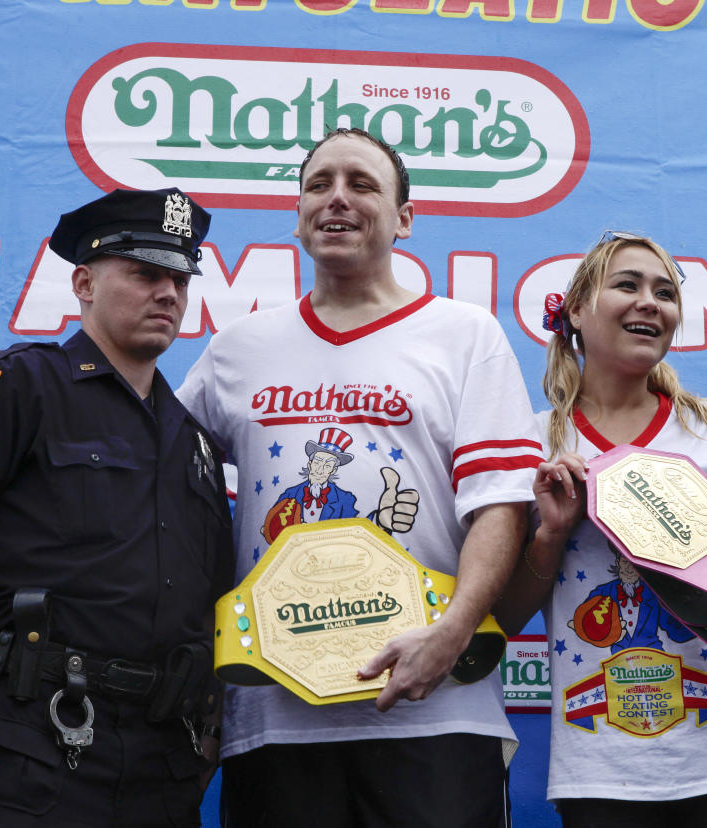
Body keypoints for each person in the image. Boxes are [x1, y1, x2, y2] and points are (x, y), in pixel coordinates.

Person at [177, 127, 542, 827]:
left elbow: (499, 505)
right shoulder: (237, 350)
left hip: (432, 709)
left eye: (362, 184)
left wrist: (453, 633)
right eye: (319, 184)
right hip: (274, 711)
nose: (337, 199)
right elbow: (166, 485)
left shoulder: (463, 334)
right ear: (298, 213)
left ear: (406, 219)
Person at [0, 188, 234, 827]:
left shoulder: (193, 441)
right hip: (29, 739)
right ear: (83, 282)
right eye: (145, 274)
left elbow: (212, 597)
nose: (169, 294)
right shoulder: (22, 382)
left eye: (180, 280)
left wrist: (210, 724)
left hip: (163, 760)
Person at [492, 232, 707, 828]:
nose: (650, 302)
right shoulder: (532, 443)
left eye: (665, 292)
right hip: (600, 758)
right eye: (627, 285)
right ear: (574, 310)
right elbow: (502, 622)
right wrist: (550, 535)